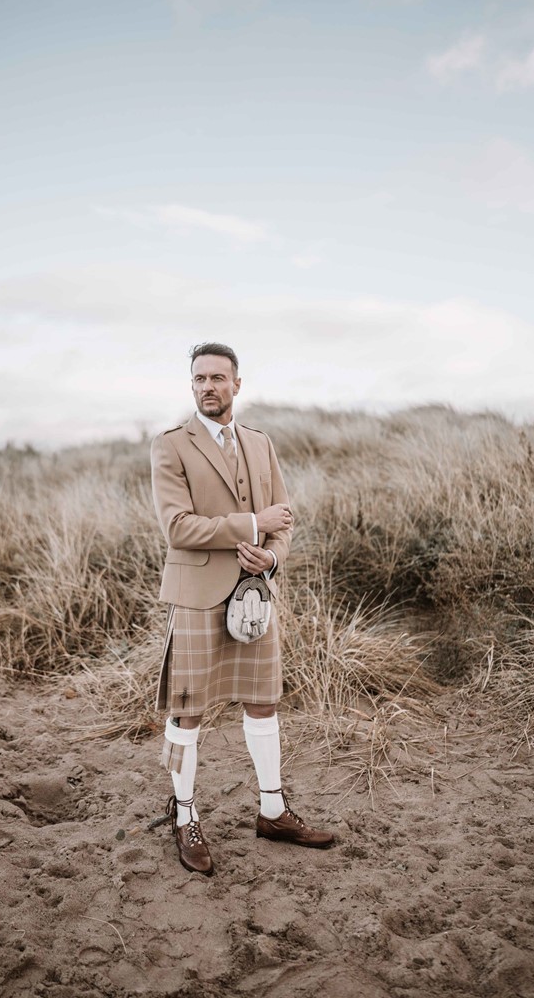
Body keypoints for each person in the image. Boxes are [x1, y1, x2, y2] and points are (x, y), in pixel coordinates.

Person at [150, 342, 334, 875]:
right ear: (191, 385)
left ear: (236, 383)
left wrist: (271, 557)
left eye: (217, 378)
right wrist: (252, 525)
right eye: (199, 378)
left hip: (255, 593)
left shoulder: (260, 442)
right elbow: (177, 527)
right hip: (196, 594)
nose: (207, 387)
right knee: (187, 710)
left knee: (263, 702)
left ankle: (273, 812)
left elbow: (284, 519)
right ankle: (185, 816)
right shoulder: (170, 445)